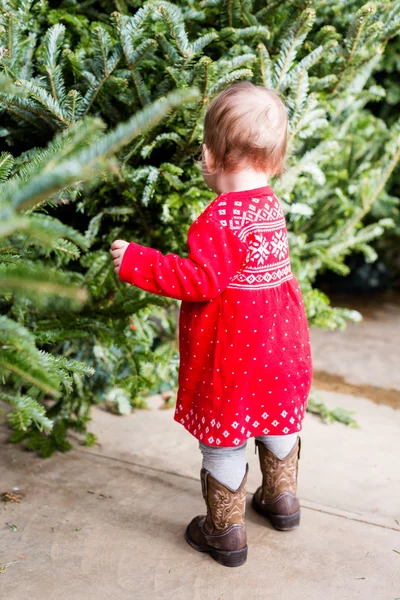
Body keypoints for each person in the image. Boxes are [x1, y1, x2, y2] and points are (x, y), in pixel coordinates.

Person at [111, 81, 313, 568]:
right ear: (276, 158)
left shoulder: (219, 219)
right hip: (282, 348)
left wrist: (136, 261)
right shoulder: (271, 208)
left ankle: (224, 530)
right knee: (276, 421)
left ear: (208, 154)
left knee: (224, 437)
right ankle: (282, 499)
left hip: (234, 358)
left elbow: (199, 281)